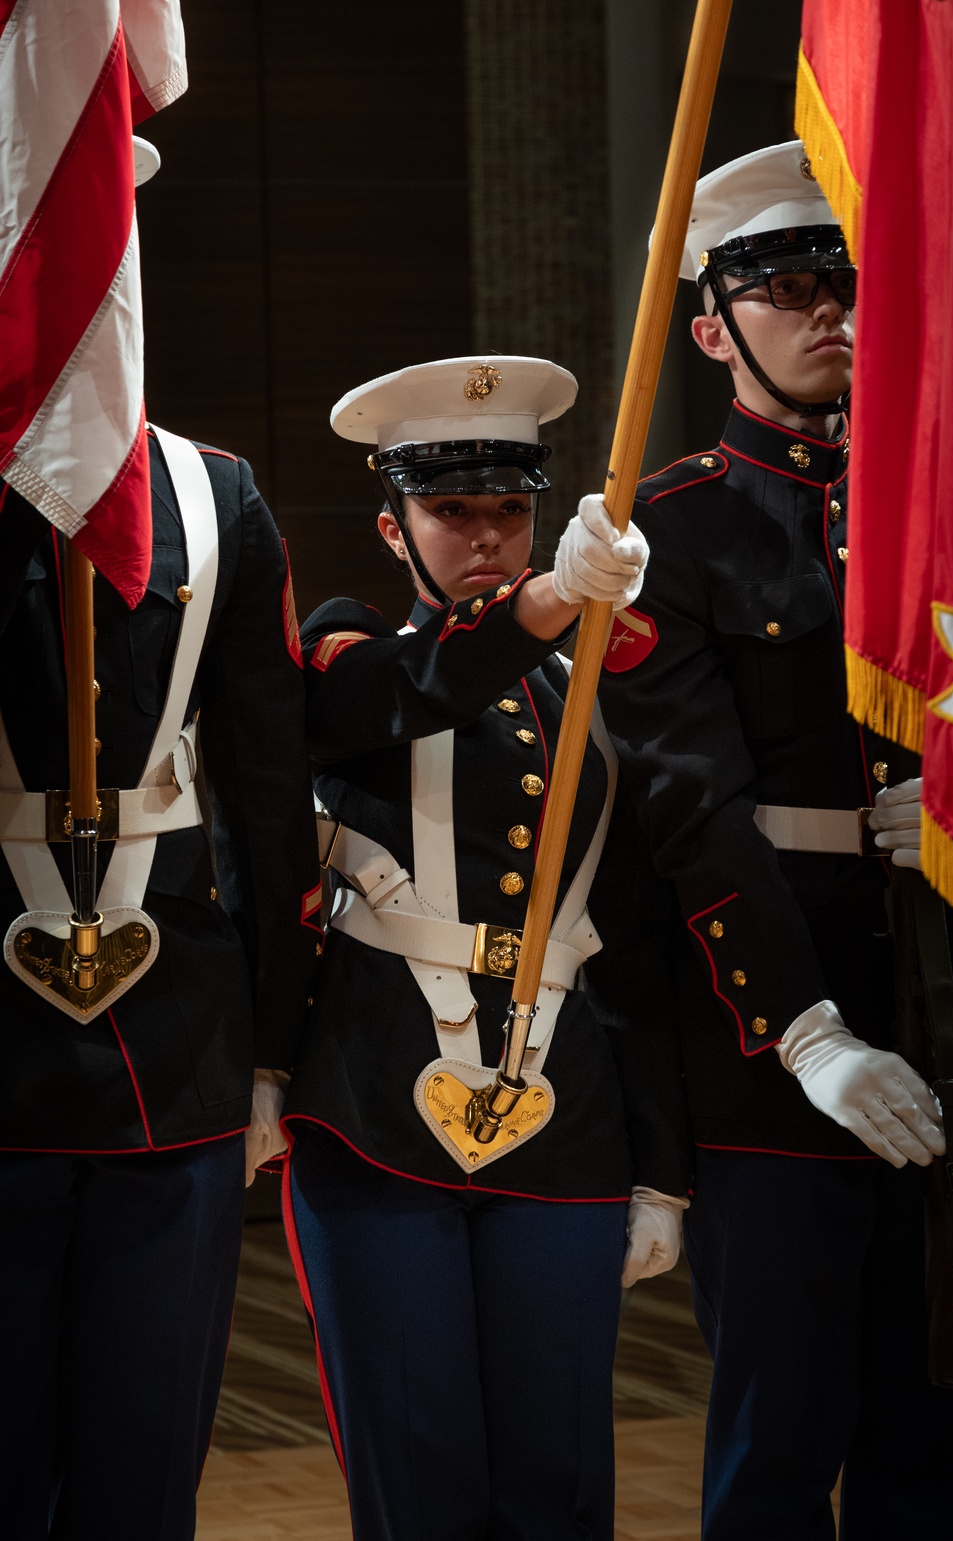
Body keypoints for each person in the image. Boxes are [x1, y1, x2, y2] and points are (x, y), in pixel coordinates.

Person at [596, 140, 953, 1539]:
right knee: (779, 1441)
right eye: (784, 288)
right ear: (713, 327)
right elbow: (690, 813)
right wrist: (807, 1034)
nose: (829, 311)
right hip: (778, 1054)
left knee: (946, 1439)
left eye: (849, 283)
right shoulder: (671, 529)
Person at [278, 354, 691, 1541]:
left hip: (568, 1117)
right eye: (449, 510)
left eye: (509, 509)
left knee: (559, 1473)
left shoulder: (585, 694)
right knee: (420, 1466)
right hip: (378, 1113)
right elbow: (410, 688)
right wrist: (551, 600)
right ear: (393, 528)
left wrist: (662, 1168)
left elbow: (633, 939)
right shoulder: (347, 647)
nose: (485, 535)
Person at [0, 138, 318, 1541]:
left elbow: (266, 793)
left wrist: (274, 1049)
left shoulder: (219, 496)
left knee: (143, 1464)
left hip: (174, 1048)